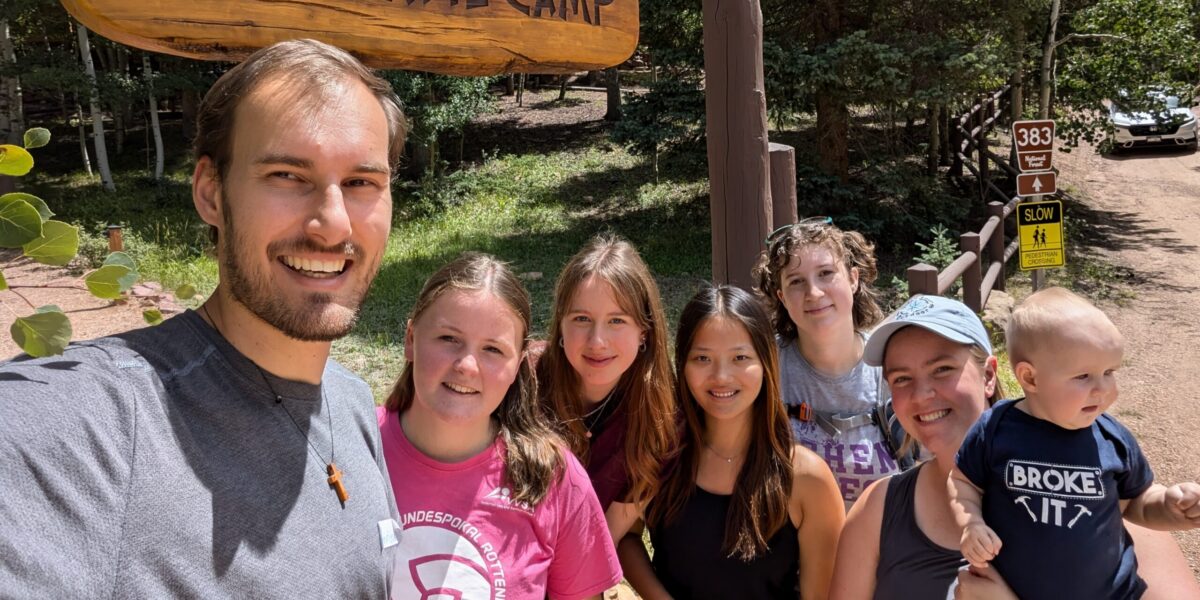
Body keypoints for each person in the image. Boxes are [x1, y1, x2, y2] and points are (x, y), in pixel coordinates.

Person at [0, 39, 408, 596]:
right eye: (288, 175)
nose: (333, 224)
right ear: (211, 193)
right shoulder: (101, 424)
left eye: (362, 183)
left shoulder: (354, 402)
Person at [830, 294, 1200, 600]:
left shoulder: (1093, 488)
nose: (922, 394)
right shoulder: (879, 508)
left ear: (990, 376)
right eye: (902, 378)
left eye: (942, 369)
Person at [377, 252, 622, 599]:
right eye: (448, 339)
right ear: (411, 339)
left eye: (493, 349)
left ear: (517, 366)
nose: (466, 365)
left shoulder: (552, 477)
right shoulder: (353, 444)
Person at [949, 287, 1200, 600]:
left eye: (1109, 372)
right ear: (1030, 379)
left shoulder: (1111, 437)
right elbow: (962, 482)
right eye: (1083, 376)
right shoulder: (997, 429)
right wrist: (971, 523)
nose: (1103, 388)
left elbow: (1137, 501)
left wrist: (1169, 506)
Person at [618, 284, 845, 599]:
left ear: (766, 364)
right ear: (682, 364)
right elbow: (625, 537)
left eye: (740, 357)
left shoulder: (807, 478)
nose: (721, 376)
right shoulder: (659, 455)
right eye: (702, 358)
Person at [753, 218, 905, 507]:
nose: (814, 293)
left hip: (887, 545)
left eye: (825, 273)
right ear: (782, 297)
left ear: (853, 278)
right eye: (797, 281)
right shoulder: (764, 367)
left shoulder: (895, 364)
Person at [536, 234, 678, 541]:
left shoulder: (662, 415)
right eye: (582, 318)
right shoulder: (521, 380)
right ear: (560, 324)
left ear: (644, 331)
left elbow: (602, 542)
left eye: (616, 321)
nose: (597, 341)